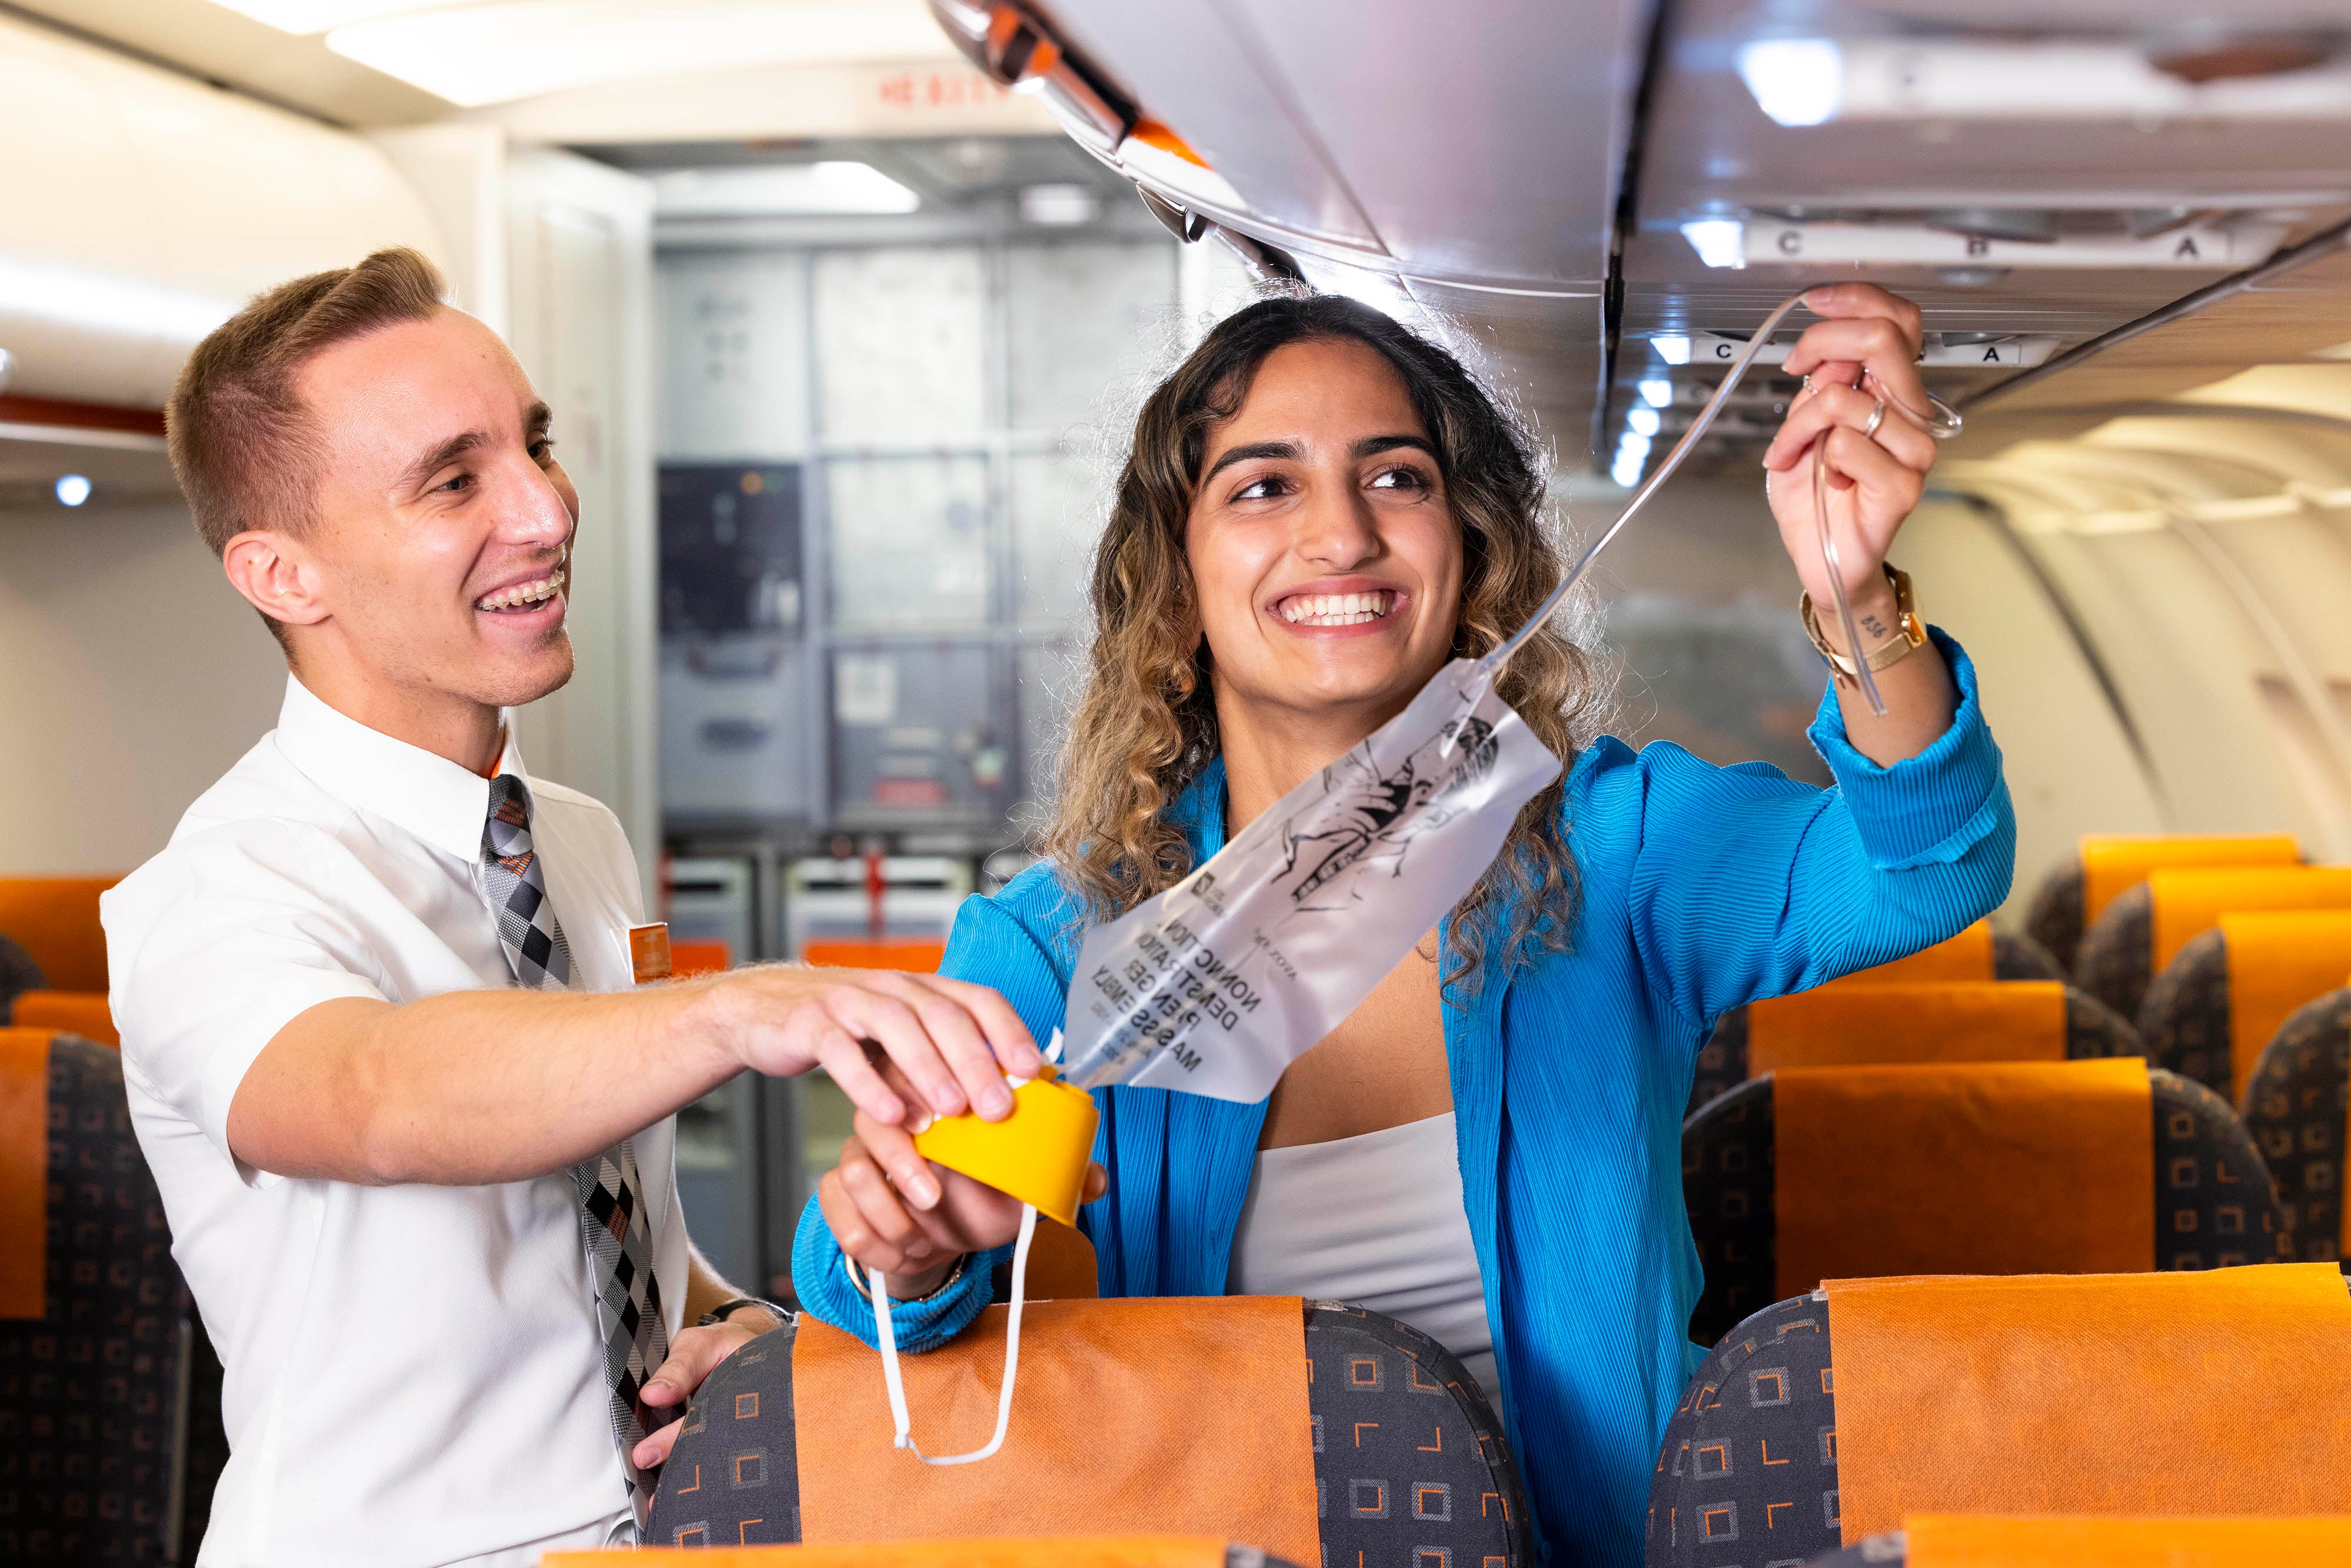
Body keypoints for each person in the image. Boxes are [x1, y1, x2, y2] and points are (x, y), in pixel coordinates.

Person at [792, 284, 2012, 1566]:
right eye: (1263, 486)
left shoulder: (1608, 851)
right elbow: (863, 1279)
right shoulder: (1064, 942)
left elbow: (1928, 866)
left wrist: (1853, 589)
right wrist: (908, 1247)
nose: (1340, 534)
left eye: (1395, 477)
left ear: (1468, 542)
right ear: (1177, 573)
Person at [102, 247, 1044, 1567]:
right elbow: (377, 1095)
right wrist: (735, 1008)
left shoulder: (576, 843)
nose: (546, 508)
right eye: (454, 479)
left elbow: (603, 1227)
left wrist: (747, 1323)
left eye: (533, 445)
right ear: (282, 574)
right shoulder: (219, 890)